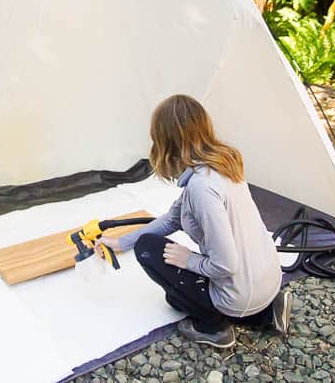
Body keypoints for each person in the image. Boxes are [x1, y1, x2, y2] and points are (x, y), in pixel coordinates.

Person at [96, 95, 291, 348]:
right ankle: (265, 313)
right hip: (268, 280)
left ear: (167, 142)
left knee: (152, 258)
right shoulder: (224, 162)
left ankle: (214, 328)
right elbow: (171, 219)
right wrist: (121, 242)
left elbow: (226, 264)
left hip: (239, 293)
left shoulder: (202, 188)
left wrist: (188, 259)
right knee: (161, 273)